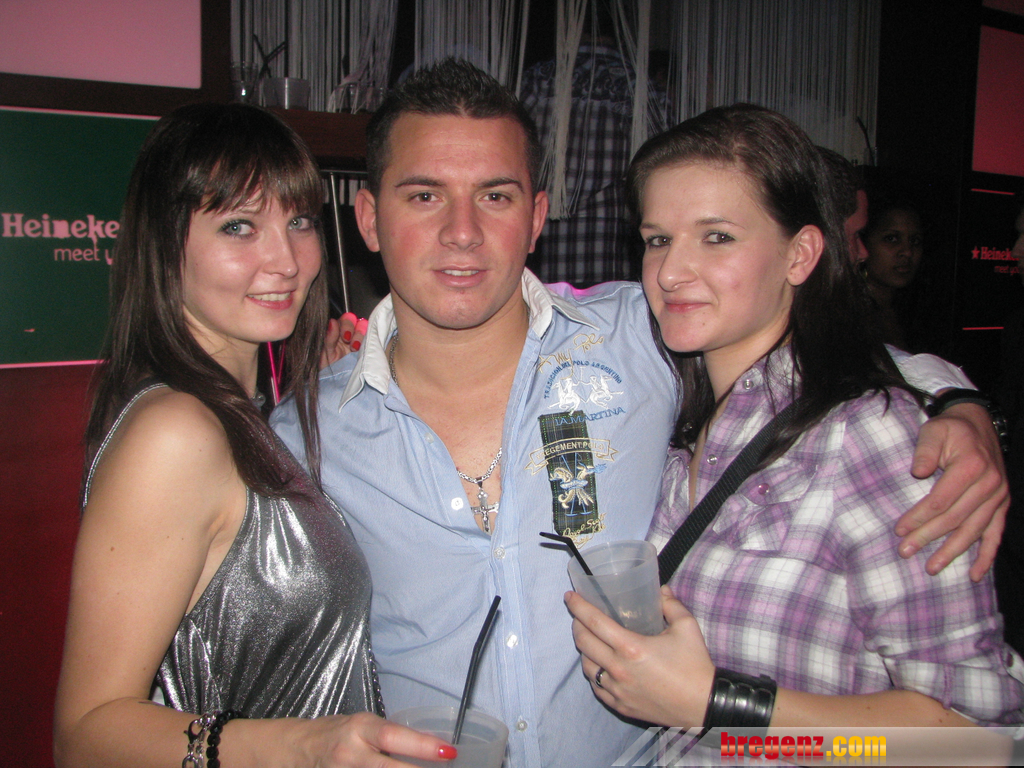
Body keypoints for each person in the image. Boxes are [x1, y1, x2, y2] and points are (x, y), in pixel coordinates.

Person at [274, 59, 1010, 768]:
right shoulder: (303, 437)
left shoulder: (639, 338)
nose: (462, 231)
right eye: (424, 196)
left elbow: (814, 352)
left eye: (495, 196)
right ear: (369, 218)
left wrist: (956, 403)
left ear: (537, 217)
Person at [566, 104, 1024, 737]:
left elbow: (975, 738)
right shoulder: (677, 413)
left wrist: (721, 703)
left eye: (717, 237)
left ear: (801, 254)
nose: (669, 272)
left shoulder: (870, 437)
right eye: (658, 240)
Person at [53, 104, 454, 768]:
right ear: (164, 245)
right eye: (238, 226)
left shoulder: (241, 414)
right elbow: (85, 734)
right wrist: (305, 746)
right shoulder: (175, 432)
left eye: (298, 221)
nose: (286, 260)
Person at [861, 196, 926, 350]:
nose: (907, 252)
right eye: (892, 239)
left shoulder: (918, 312)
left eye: (915, 241)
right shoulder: (847, 313)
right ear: (863, 243)